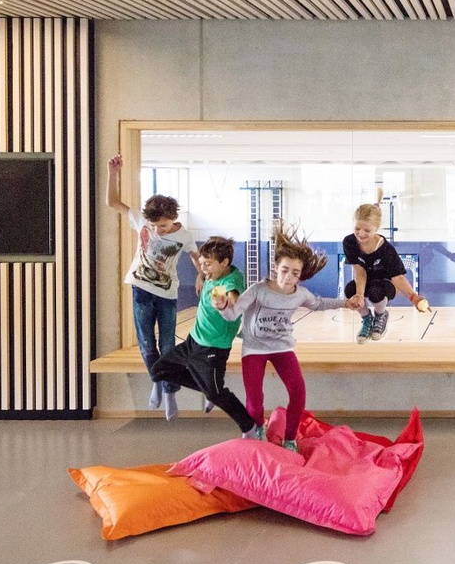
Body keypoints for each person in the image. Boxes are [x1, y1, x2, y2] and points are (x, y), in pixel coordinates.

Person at [220, 221, 362, 449]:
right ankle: (257, 429)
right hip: (254, 348)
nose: (288, 277)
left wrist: (346, 303)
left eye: (295, 273)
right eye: (285, 270)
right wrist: (223, 306)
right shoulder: (258, 290)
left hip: (282, 347)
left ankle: (290, 439)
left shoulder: (300, 294)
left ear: (300, 276)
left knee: (298, 392)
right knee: (254, 399)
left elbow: (319, 303)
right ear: (276, 266)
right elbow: (232, 314)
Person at [107, 153, 194, 416]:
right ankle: (157, 382)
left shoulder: (184, 235)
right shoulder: (142, 222)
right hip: (141, 289)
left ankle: (169, 393)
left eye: (164, 225)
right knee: (146, 343)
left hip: (167, 294)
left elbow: (196, 255)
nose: (158, 230)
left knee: (167, 346)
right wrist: (113, 173)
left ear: (174, 218)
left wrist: (203, 275)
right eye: (154, 226)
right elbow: (113, 202)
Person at [150, 236, 249, 429]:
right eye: (202, 264)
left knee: (216, 394)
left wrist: (227, 302)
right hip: (193, 341)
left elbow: (233, 294)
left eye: (208, 264)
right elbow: (204, 271)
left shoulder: (230, 281)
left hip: (213, 349)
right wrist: (200, 275)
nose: (203, 268)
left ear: (224, 262)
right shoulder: (214, 274)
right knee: (159, 369)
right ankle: (208, 389)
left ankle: (249, 426)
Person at [342, 202, 429, 343]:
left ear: (376, 228)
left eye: (367, 230)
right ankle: (367, 319)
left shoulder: (386, 249)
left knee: (376, 292)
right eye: (357, 228)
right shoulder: (349, 242)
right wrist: (359, 295)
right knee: (350, 290)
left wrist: (414, 297)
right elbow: (360, 271)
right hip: (367, 280)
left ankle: (380, 315)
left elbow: (398, 278)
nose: (361, 234)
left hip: (387, 283)